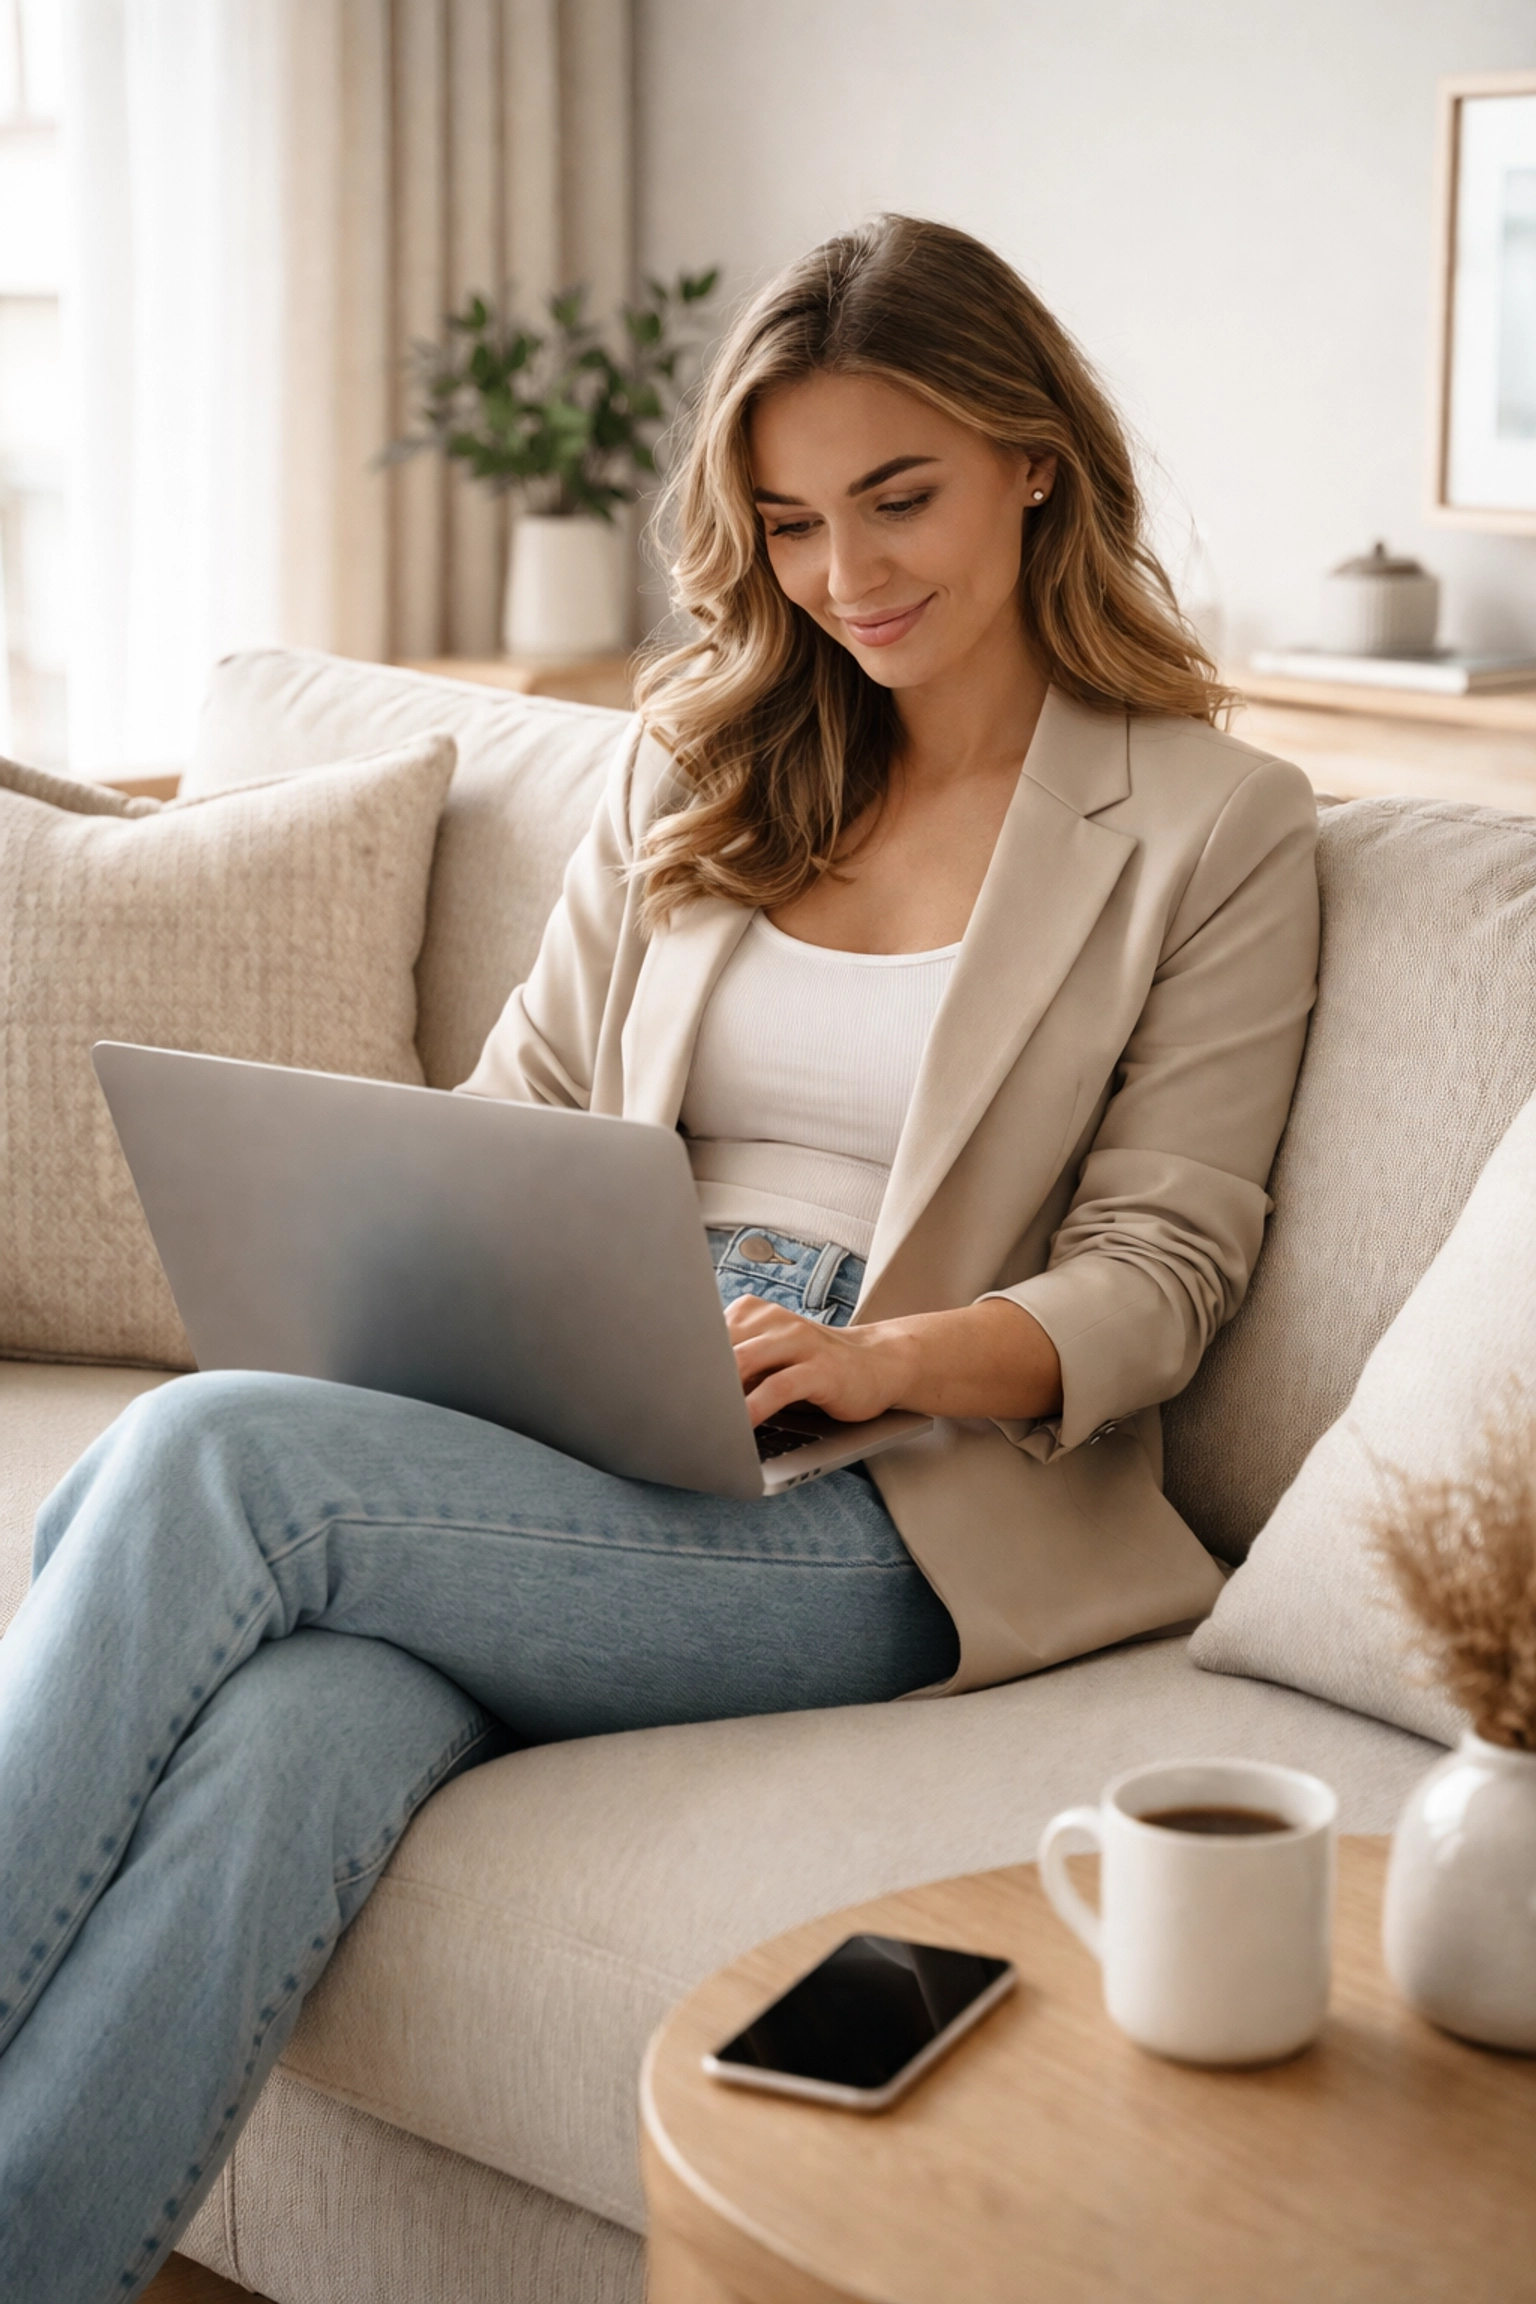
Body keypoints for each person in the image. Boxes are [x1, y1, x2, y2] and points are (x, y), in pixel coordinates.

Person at [0, 215, 1317, 2299]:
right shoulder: (707, 758)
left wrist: (883, 1360)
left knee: (207, 1459)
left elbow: (1164, 1272)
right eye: (790, 522)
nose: (847, 574)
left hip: (898, 1484)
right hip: (595, 1365)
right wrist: (426, 1263)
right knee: (307, 1723)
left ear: (1034, 460)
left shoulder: (1210, 824)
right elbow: (522, 1116)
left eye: (901, 498)